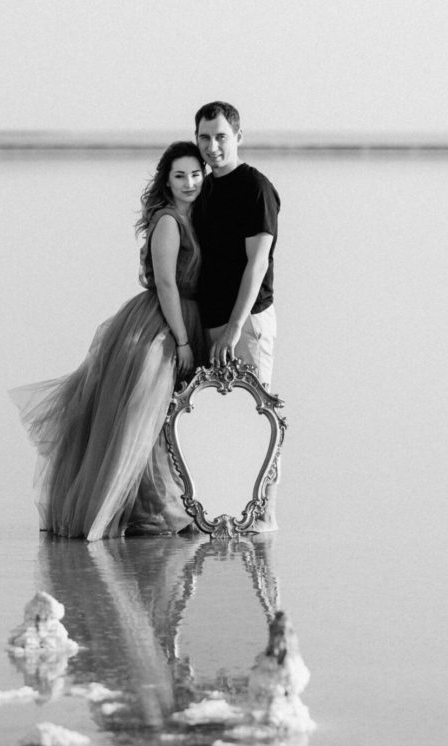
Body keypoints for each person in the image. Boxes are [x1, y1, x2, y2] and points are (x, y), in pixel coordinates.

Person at [10, 142, 207, 541]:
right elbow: (166, 283)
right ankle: (139, 511)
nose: (189, 183)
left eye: (195, 174)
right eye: (180, 176)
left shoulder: (196, 217)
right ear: (167, 182)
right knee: (142, 420)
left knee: (160, 422)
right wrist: (183, 341)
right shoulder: (169, 221)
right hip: (161, 325)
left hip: (182, 319)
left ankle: (160, 506)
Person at [191, 101, 281, 530]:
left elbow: (257, 264)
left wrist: (234, 327)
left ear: (238, 137)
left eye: (221, 137)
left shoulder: (255, 188)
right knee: (214, 422)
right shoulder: (203, 189)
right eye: (205, 138)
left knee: (257, 417)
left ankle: (263, 518)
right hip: (209, 322)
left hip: (247, 323)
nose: (213, 147)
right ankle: (223, 515)